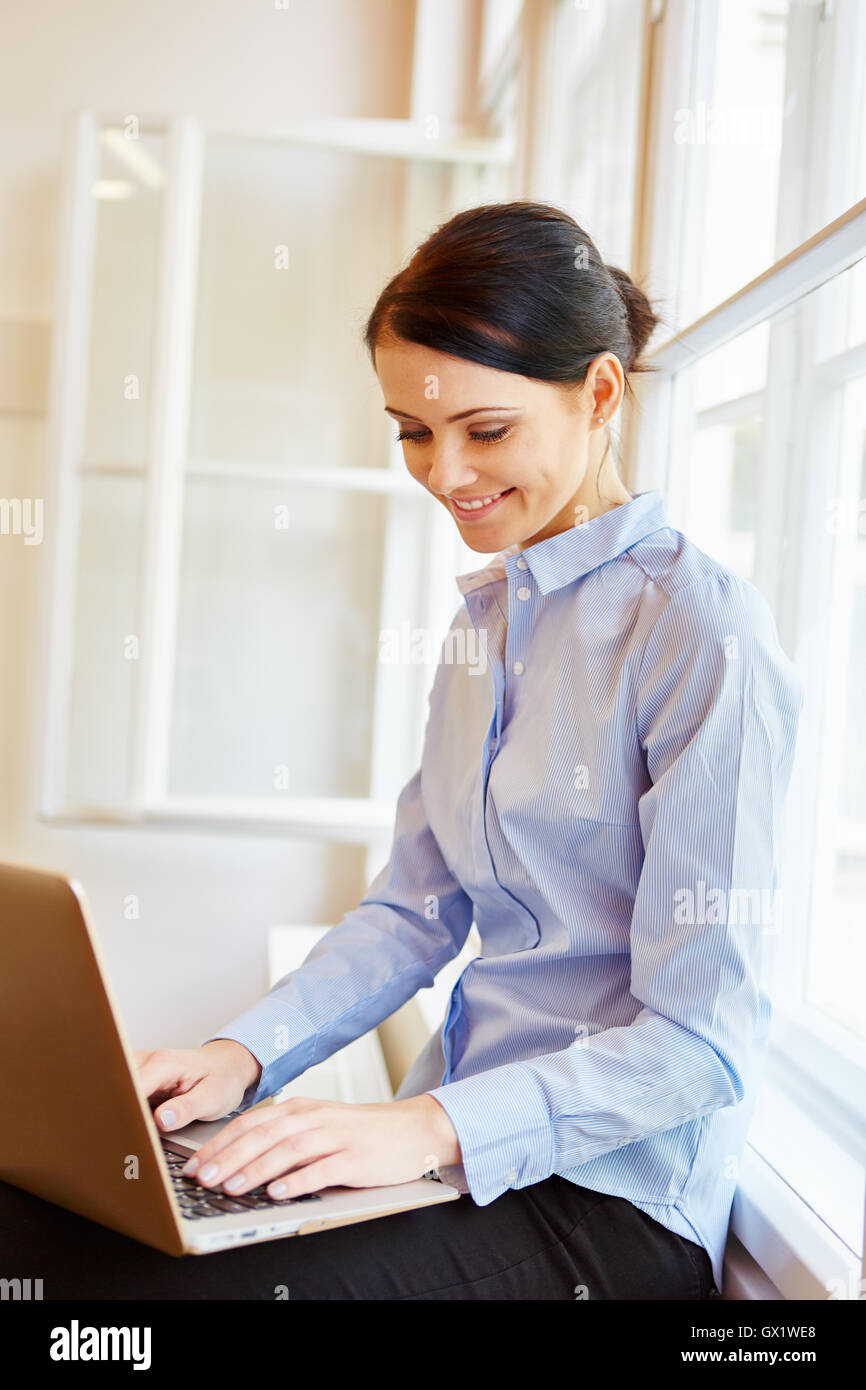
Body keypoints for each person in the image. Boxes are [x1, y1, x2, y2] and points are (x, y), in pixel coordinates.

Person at [133, 201, 804, 1300]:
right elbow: (413, 908)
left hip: (606, 1209)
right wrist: (239, 1058)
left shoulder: (699, 631)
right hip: (445, 1166)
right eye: (411, 430)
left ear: (598, 392)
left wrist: (427, 1125)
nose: (444, 473)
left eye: (483, 430)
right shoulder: (485, 623)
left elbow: (700, 1043)